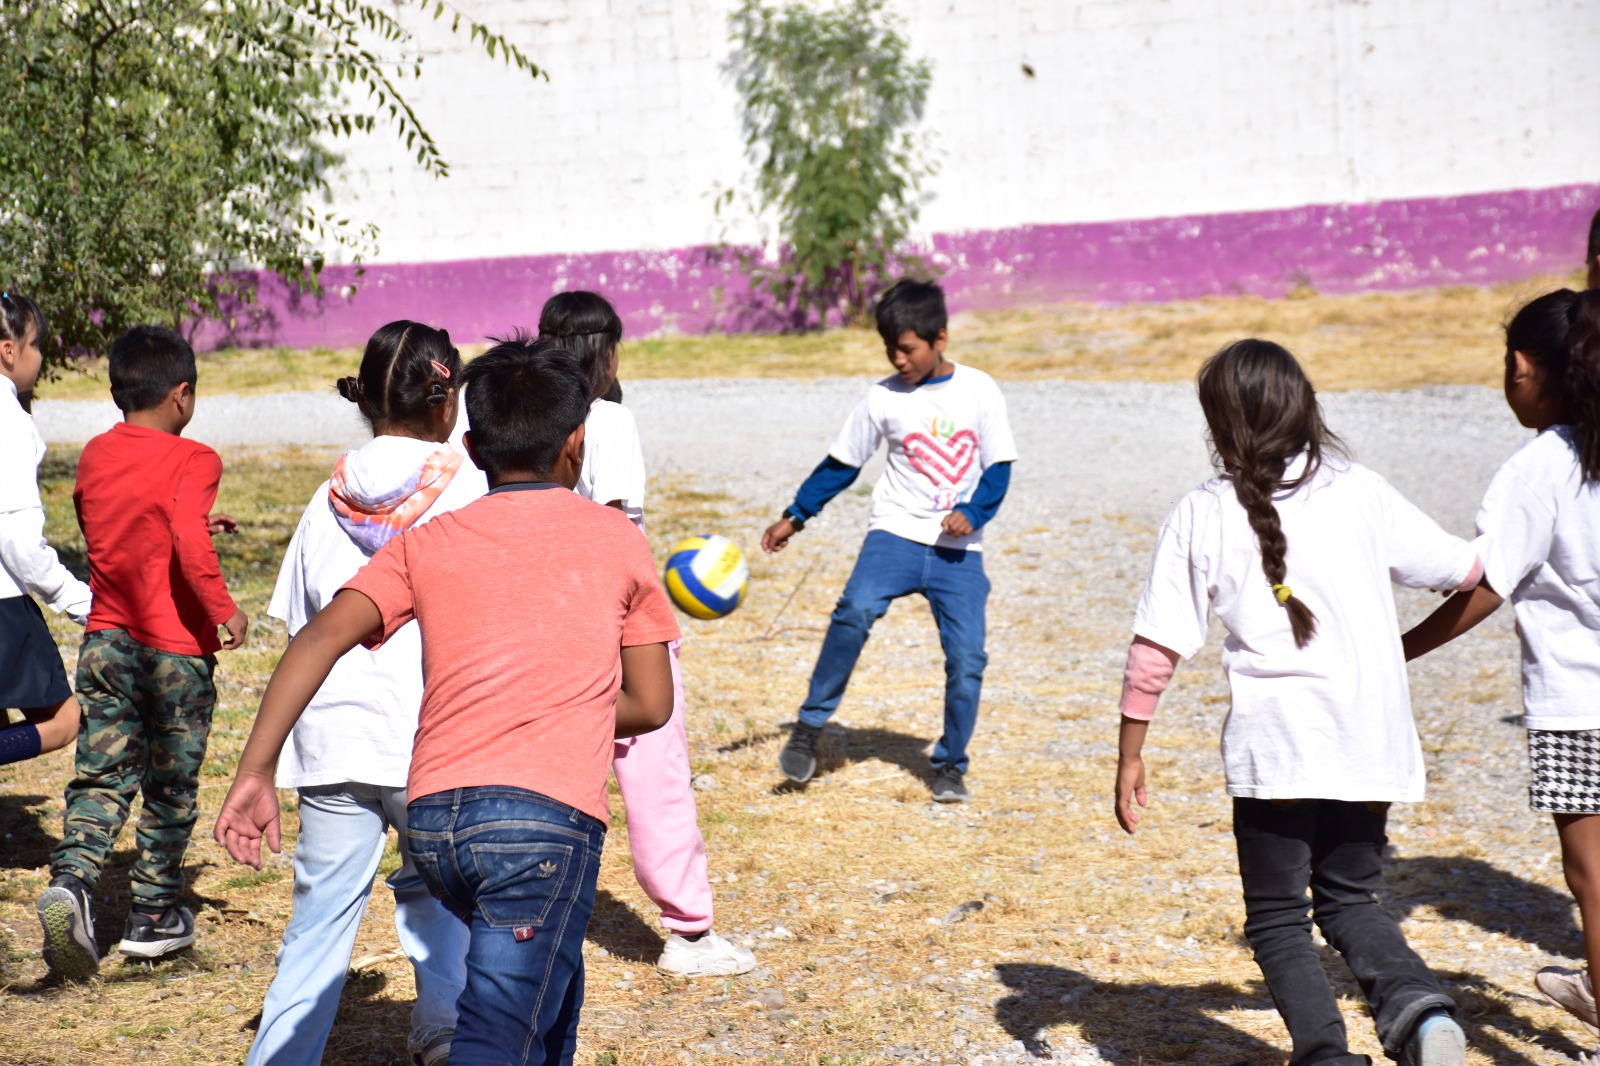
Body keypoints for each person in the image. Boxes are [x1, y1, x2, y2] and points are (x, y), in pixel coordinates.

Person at [214, 338, 679, 1066]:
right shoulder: (614, 537)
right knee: (499, 1029)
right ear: (576, 442)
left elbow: (317, 638)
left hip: (438, 827)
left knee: (551, 997)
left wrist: (254, 771)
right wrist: (555, 706)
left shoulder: (426, 542)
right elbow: (651, 703)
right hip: (541, 823)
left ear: (473, 440)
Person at [1114, 339, 1474, 1066]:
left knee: (1279, 917)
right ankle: (1418, 1008)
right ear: (1305, 410)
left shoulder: (1203, 512)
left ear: (1221, 427)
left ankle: (1325, 1056)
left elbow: (1157, 648)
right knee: (1352, 901)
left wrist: (1130, 753)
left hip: (1277, 749)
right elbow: (1471, 571)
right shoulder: (1363, 490)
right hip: (1367, 742)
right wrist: (1401, 645)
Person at [247, 322, 483, 1066]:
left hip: (331, 745)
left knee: (316, 932)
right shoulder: (472, 486)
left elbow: (301, 627)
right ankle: (444, 1026)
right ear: (448, 402)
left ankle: (278, 1055)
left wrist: (258, 763)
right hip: (433, 745)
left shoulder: (328, 497)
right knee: (446, 899)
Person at [1402, 289, 1600, 1056]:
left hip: (1576, 698)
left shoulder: (1540, 466)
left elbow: (1487, 583)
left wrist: (1400, 651)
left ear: (1524, 366)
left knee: (1590, 870)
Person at [538, 292, 756, 978]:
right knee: (654, 765)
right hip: (610, 611)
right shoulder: (610, 419)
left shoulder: (521, 414)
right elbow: (617, 527)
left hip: (537, 605)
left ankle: (528, 904)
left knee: (545, 758)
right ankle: (689, 933)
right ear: (605, 352)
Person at [38, 325, 249, 981]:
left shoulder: (97, 453)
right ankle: (155, 915)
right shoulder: (195, 459)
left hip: (105, 643)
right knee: (168, 785)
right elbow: (187, 544)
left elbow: (115, 518)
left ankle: (71, 881)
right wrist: (224, 610)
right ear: (182, 394)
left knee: (101, 775)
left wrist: (178, 528)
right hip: (174, 654)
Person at [762, 279, 1016, 803]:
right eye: (890, 350)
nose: (899, 360)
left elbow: (999, 468)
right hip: (895, 535)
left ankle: (948, 765)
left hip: (958, 552)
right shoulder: (882, 398)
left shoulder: (980, 390)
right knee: (853, 611)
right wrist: (796, 515)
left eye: (908, 349)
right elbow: (842, 464)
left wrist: (972, 512)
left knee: (968, 659)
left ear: (940, 338)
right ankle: (808, 729)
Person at [0, 292, 91, 770]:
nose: (41, 357)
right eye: (37, 345)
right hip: (3, 604)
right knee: (64, 720)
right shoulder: (9, 420)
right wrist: (81, 603)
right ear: (9, 351)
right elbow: (17, 540)